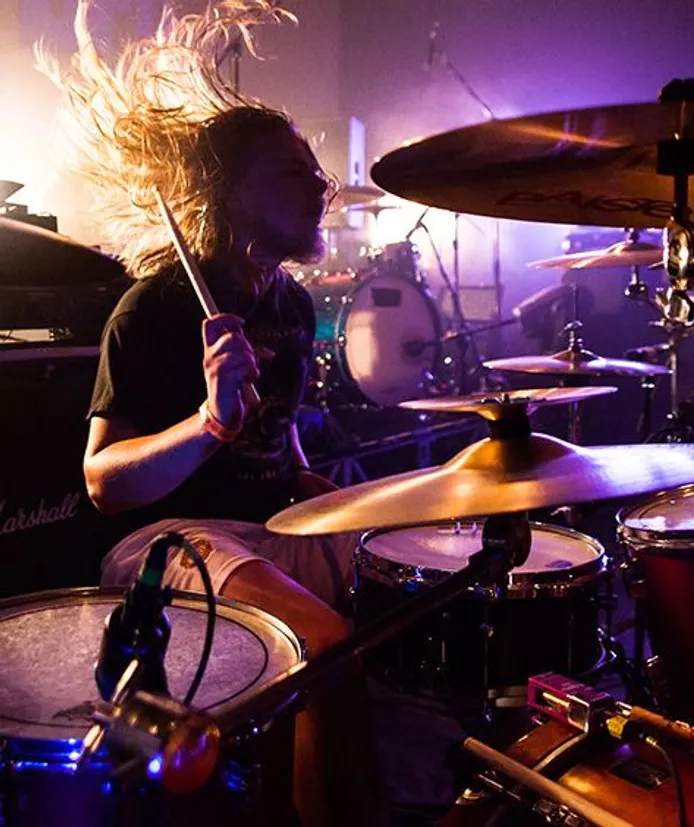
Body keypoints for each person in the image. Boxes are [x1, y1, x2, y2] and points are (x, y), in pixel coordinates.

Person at [39, 3, 387, 825]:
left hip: (265, 528)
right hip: (167, 538)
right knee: (326, 644)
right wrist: (208, 422)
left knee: (417, 594)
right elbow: (103, 486)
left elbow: (283, 446)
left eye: (318, 174)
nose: (321, 189)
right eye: (293, 174)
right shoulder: (153, 309)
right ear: (227, 191)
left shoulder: (292, 306)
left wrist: (353, 500)